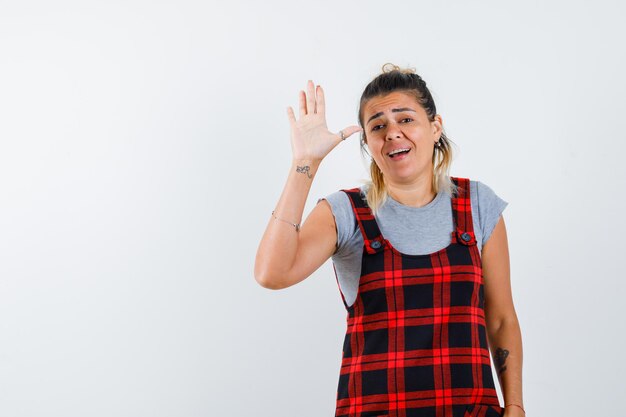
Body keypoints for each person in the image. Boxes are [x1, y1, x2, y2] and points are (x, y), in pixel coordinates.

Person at [254, 64, 525, 417]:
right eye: (378, 126)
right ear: (368, 143)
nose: (393, 133)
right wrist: (305, 164)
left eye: (406, 119)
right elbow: (272, 273)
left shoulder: (478, 204)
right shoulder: (345, 212)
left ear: (435, 127)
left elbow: (501, 318)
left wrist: (515, 406)